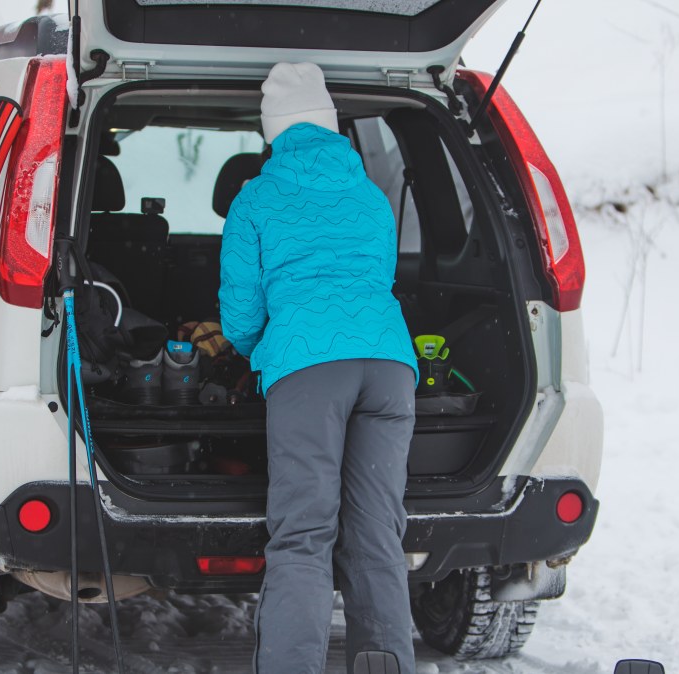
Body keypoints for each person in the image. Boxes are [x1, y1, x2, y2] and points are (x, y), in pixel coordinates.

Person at [219, 62, 420, 674]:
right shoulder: (369, 195)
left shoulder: (256, 198)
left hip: (309, 369)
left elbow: (241, 312)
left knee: (304, 535)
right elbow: (378, 280)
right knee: (377, 533)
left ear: (272, 132)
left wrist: (264, 355)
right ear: (330, 126)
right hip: (390, 366)